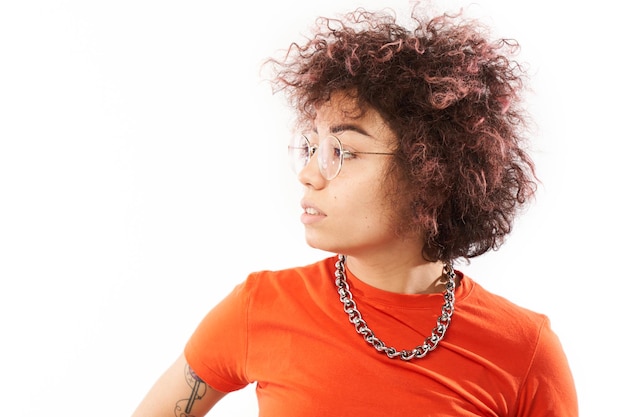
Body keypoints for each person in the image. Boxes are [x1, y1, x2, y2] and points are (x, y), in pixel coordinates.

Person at [131, 5, 578, 417]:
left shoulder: (526, 351)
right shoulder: (258, 309)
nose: (309, 174)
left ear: (432, 172)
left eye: (341, 151)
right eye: (310, 148)